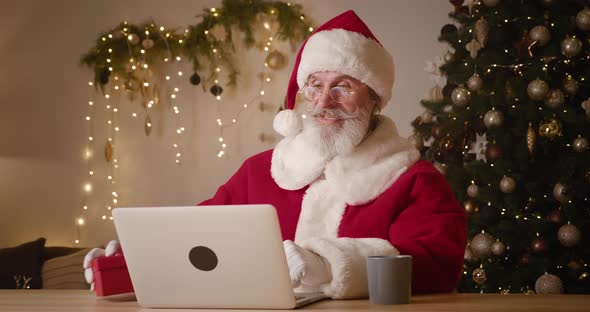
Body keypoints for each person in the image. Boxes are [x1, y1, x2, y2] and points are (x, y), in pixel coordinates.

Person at [84, 10, 467, 299]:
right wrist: (134, 258)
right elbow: (199, 241)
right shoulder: (260, 171)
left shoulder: (413, 179)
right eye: (314, 85)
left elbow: (436, 263)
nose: (324, 101)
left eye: (343, 86)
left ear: (373, 99)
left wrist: (329, 263)